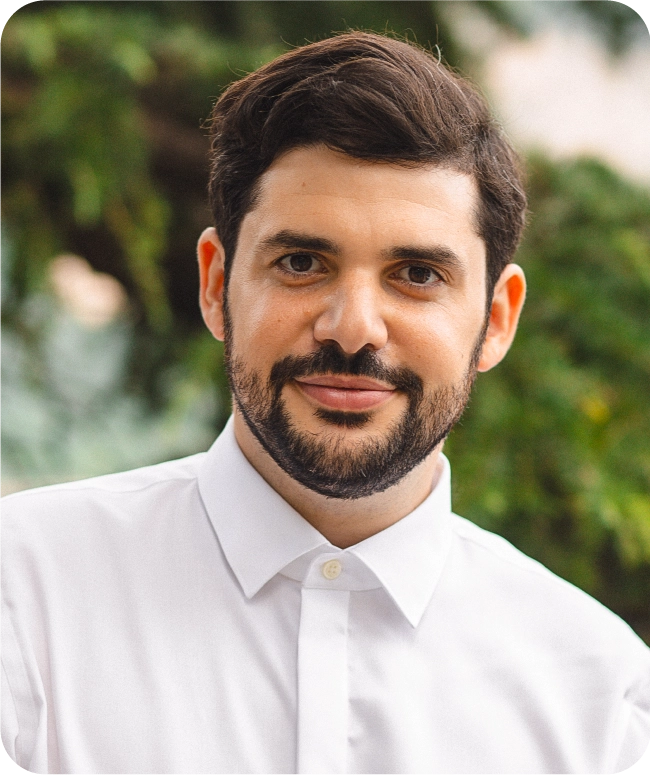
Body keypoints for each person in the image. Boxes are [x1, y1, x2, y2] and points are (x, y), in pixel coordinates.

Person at [0, 31, 648, 775]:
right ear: (216, 284)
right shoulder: (20, 596)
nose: (352, 328)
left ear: (497, 319)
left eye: (417, 273)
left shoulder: (601, 702)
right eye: (302, 262)